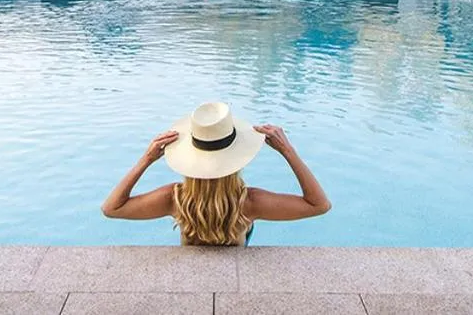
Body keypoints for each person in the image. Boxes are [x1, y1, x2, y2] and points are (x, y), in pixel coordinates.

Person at [101, 101, 331, 246]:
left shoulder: (175, 199)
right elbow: (319, 205)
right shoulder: (250, 202)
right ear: (237, 160)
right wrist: (287, 151)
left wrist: (146, 159)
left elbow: (111, 208)